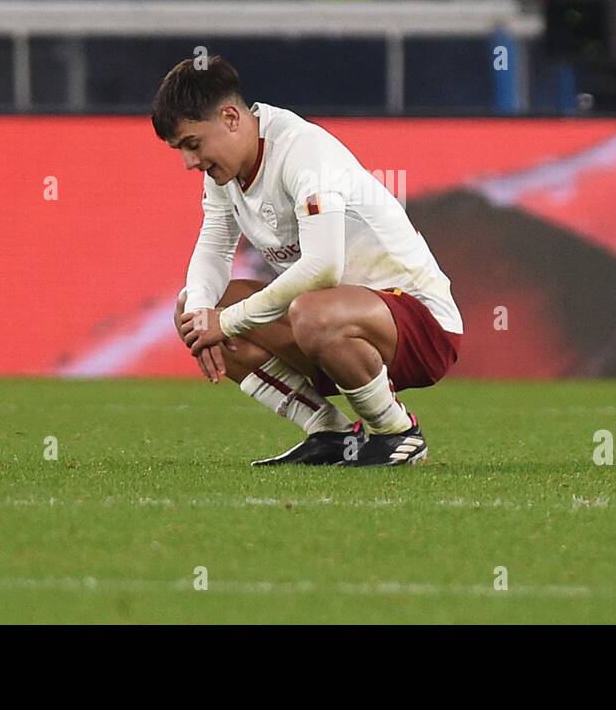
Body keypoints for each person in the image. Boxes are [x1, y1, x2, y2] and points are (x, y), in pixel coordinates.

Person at [153, 56, 463, 466]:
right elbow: (214, 245)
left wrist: (225, 324)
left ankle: (397, 432)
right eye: (180, 150)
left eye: (193, 145)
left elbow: (324, 267)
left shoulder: (303, 150)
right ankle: (329, 433)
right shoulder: (224, 175)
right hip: (331, 330)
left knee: (310, 311)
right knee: (194, 305)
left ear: (230, 117)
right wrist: (201, 316)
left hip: (421, 323)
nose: (189, 162)